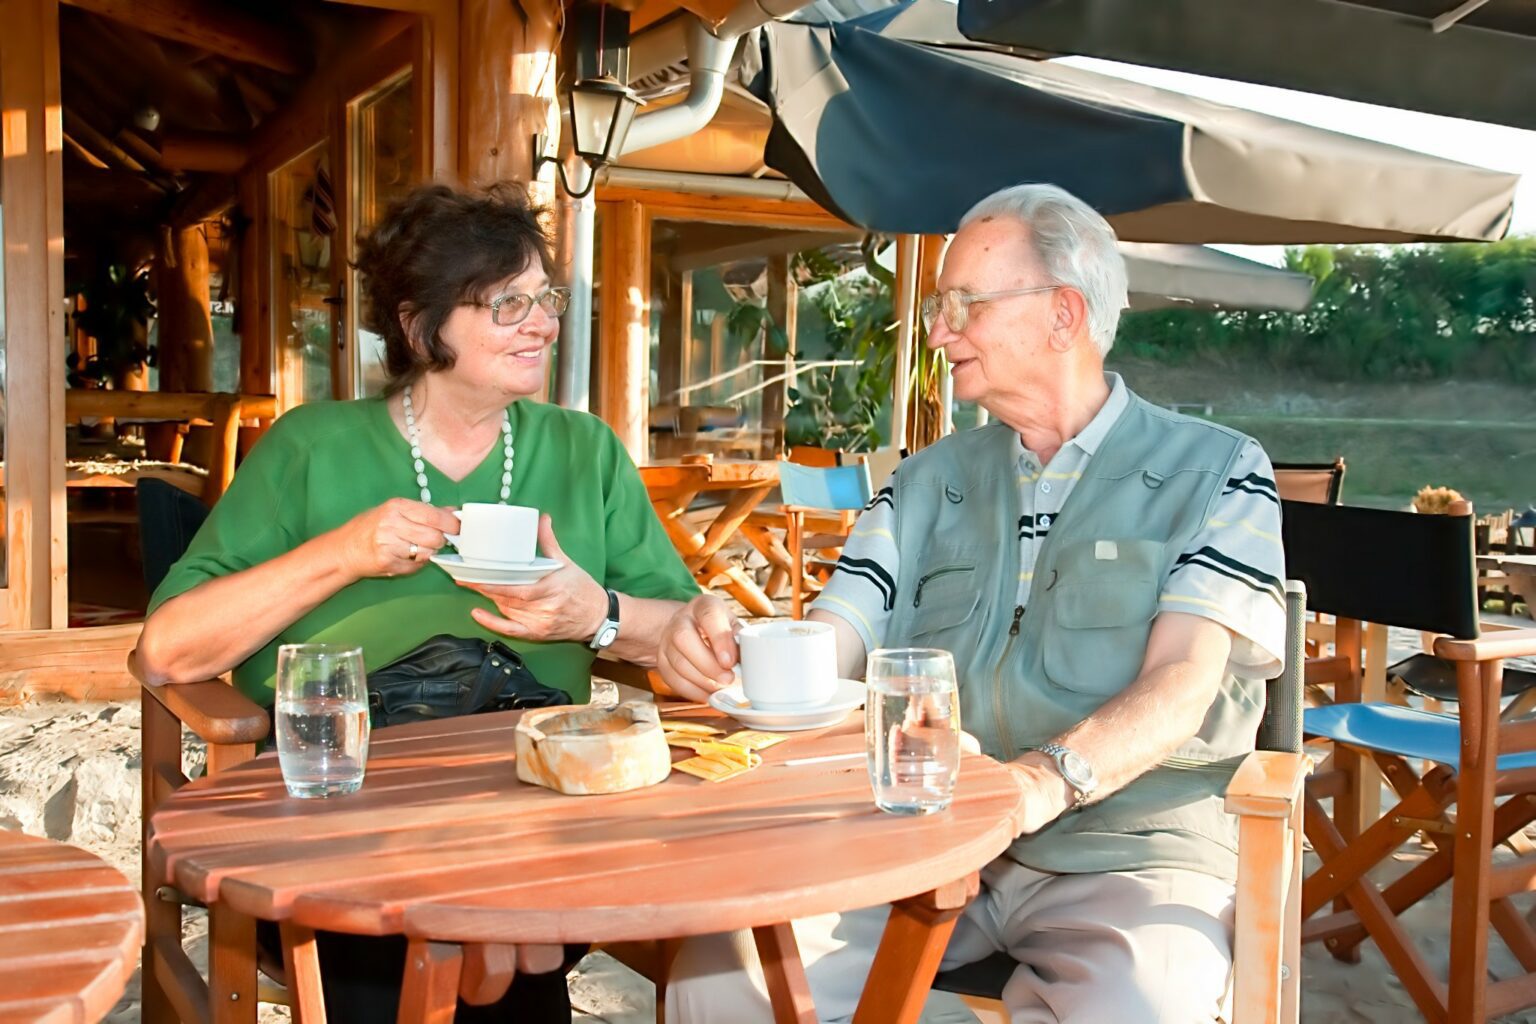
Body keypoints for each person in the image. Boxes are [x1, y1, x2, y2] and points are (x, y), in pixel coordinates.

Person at [656, 183, 1286, 1023]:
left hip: (1131, 851)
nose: (937, 332)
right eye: (938, 308)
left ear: (1063, 315)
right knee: (715, 980)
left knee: (1142, 1009)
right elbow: (835, 636)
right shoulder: (921, 484)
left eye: (963, 305)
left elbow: (1183, 681)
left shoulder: (1217, 472)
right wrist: (731, 644)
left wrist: (1041, 781)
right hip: (923, 835)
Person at [136, 181, 702, 1022]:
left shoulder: (584, 451)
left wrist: (600, 615)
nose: (543, 324)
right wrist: (343, 554)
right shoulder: (312, 447)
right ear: (419, 325)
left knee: (504, 916)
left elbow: (686, 638)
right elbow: (169, 649)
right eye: (508, 304)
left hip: (536, 795)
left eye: (545, 299)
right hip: (348, 806)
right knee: (447, 936)